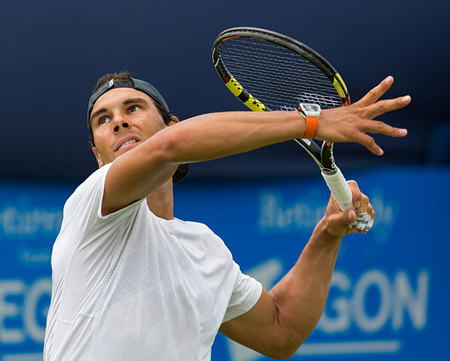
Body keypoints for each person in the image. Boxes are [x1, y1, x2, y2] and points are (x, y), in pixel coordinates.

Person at [43, 72, 410, 361]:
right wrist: (310, 123)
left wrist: (327, 237)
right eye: (103, 119)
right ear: (98, 157)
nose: (118, 122)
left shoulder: (202, 248)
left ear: (171, 122)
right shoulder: (91, 206)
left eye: (133, 108)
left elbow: (282, 330)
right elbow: (169, 148)